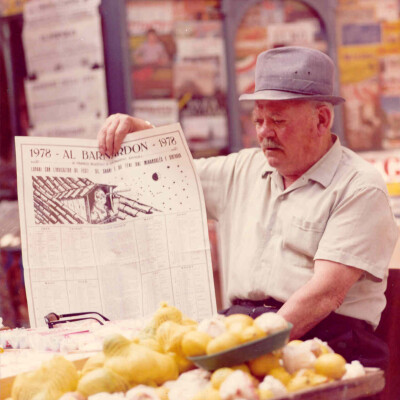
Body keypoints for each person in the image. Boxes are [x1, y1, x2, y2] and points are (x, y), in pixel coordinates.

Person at [96, 46, 398, 369]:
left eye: (278, 121)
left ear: (322, 119)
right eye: (259, 120)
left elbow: (325, 294)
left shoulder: (358, 186)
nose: (265, 133)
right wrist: (135, 128)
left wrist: (250, 349)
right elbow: (176, 172)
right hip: (240, 328)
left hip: (326, 341)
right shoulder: (246, 168)